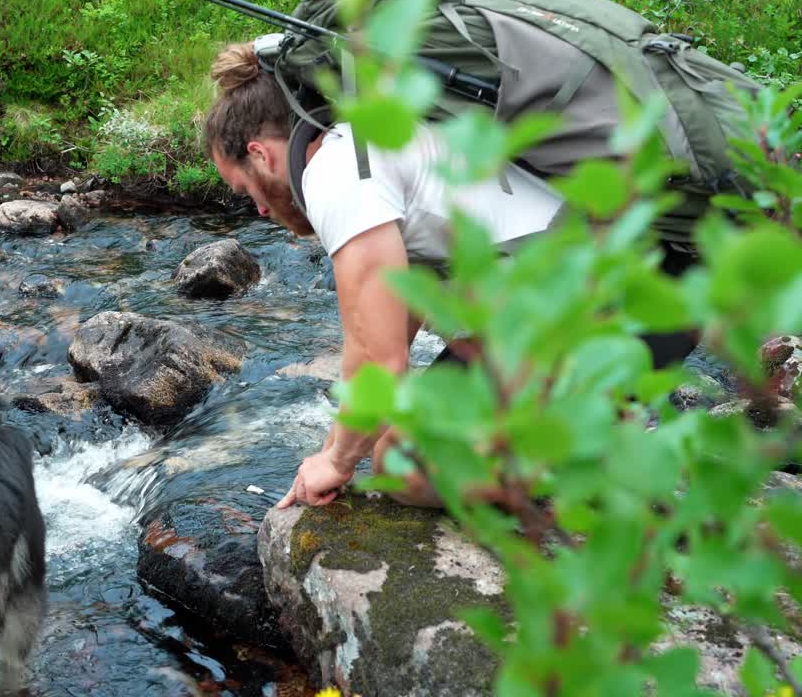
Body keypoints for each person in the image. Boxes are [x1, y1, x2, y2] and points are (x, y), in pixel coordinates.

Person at [201, 42, 700, 510]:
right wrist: (332, 451)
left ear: (261, 153)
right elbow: (389, 336)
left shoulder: (336, 176)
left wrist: (335, 462)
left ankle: (594, 485)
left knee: (407, 465)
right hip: (647, 272)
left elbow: (382, 362)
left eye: (245, 189)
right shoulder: (374, 143)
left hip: (638, 291)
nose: (261, 210)